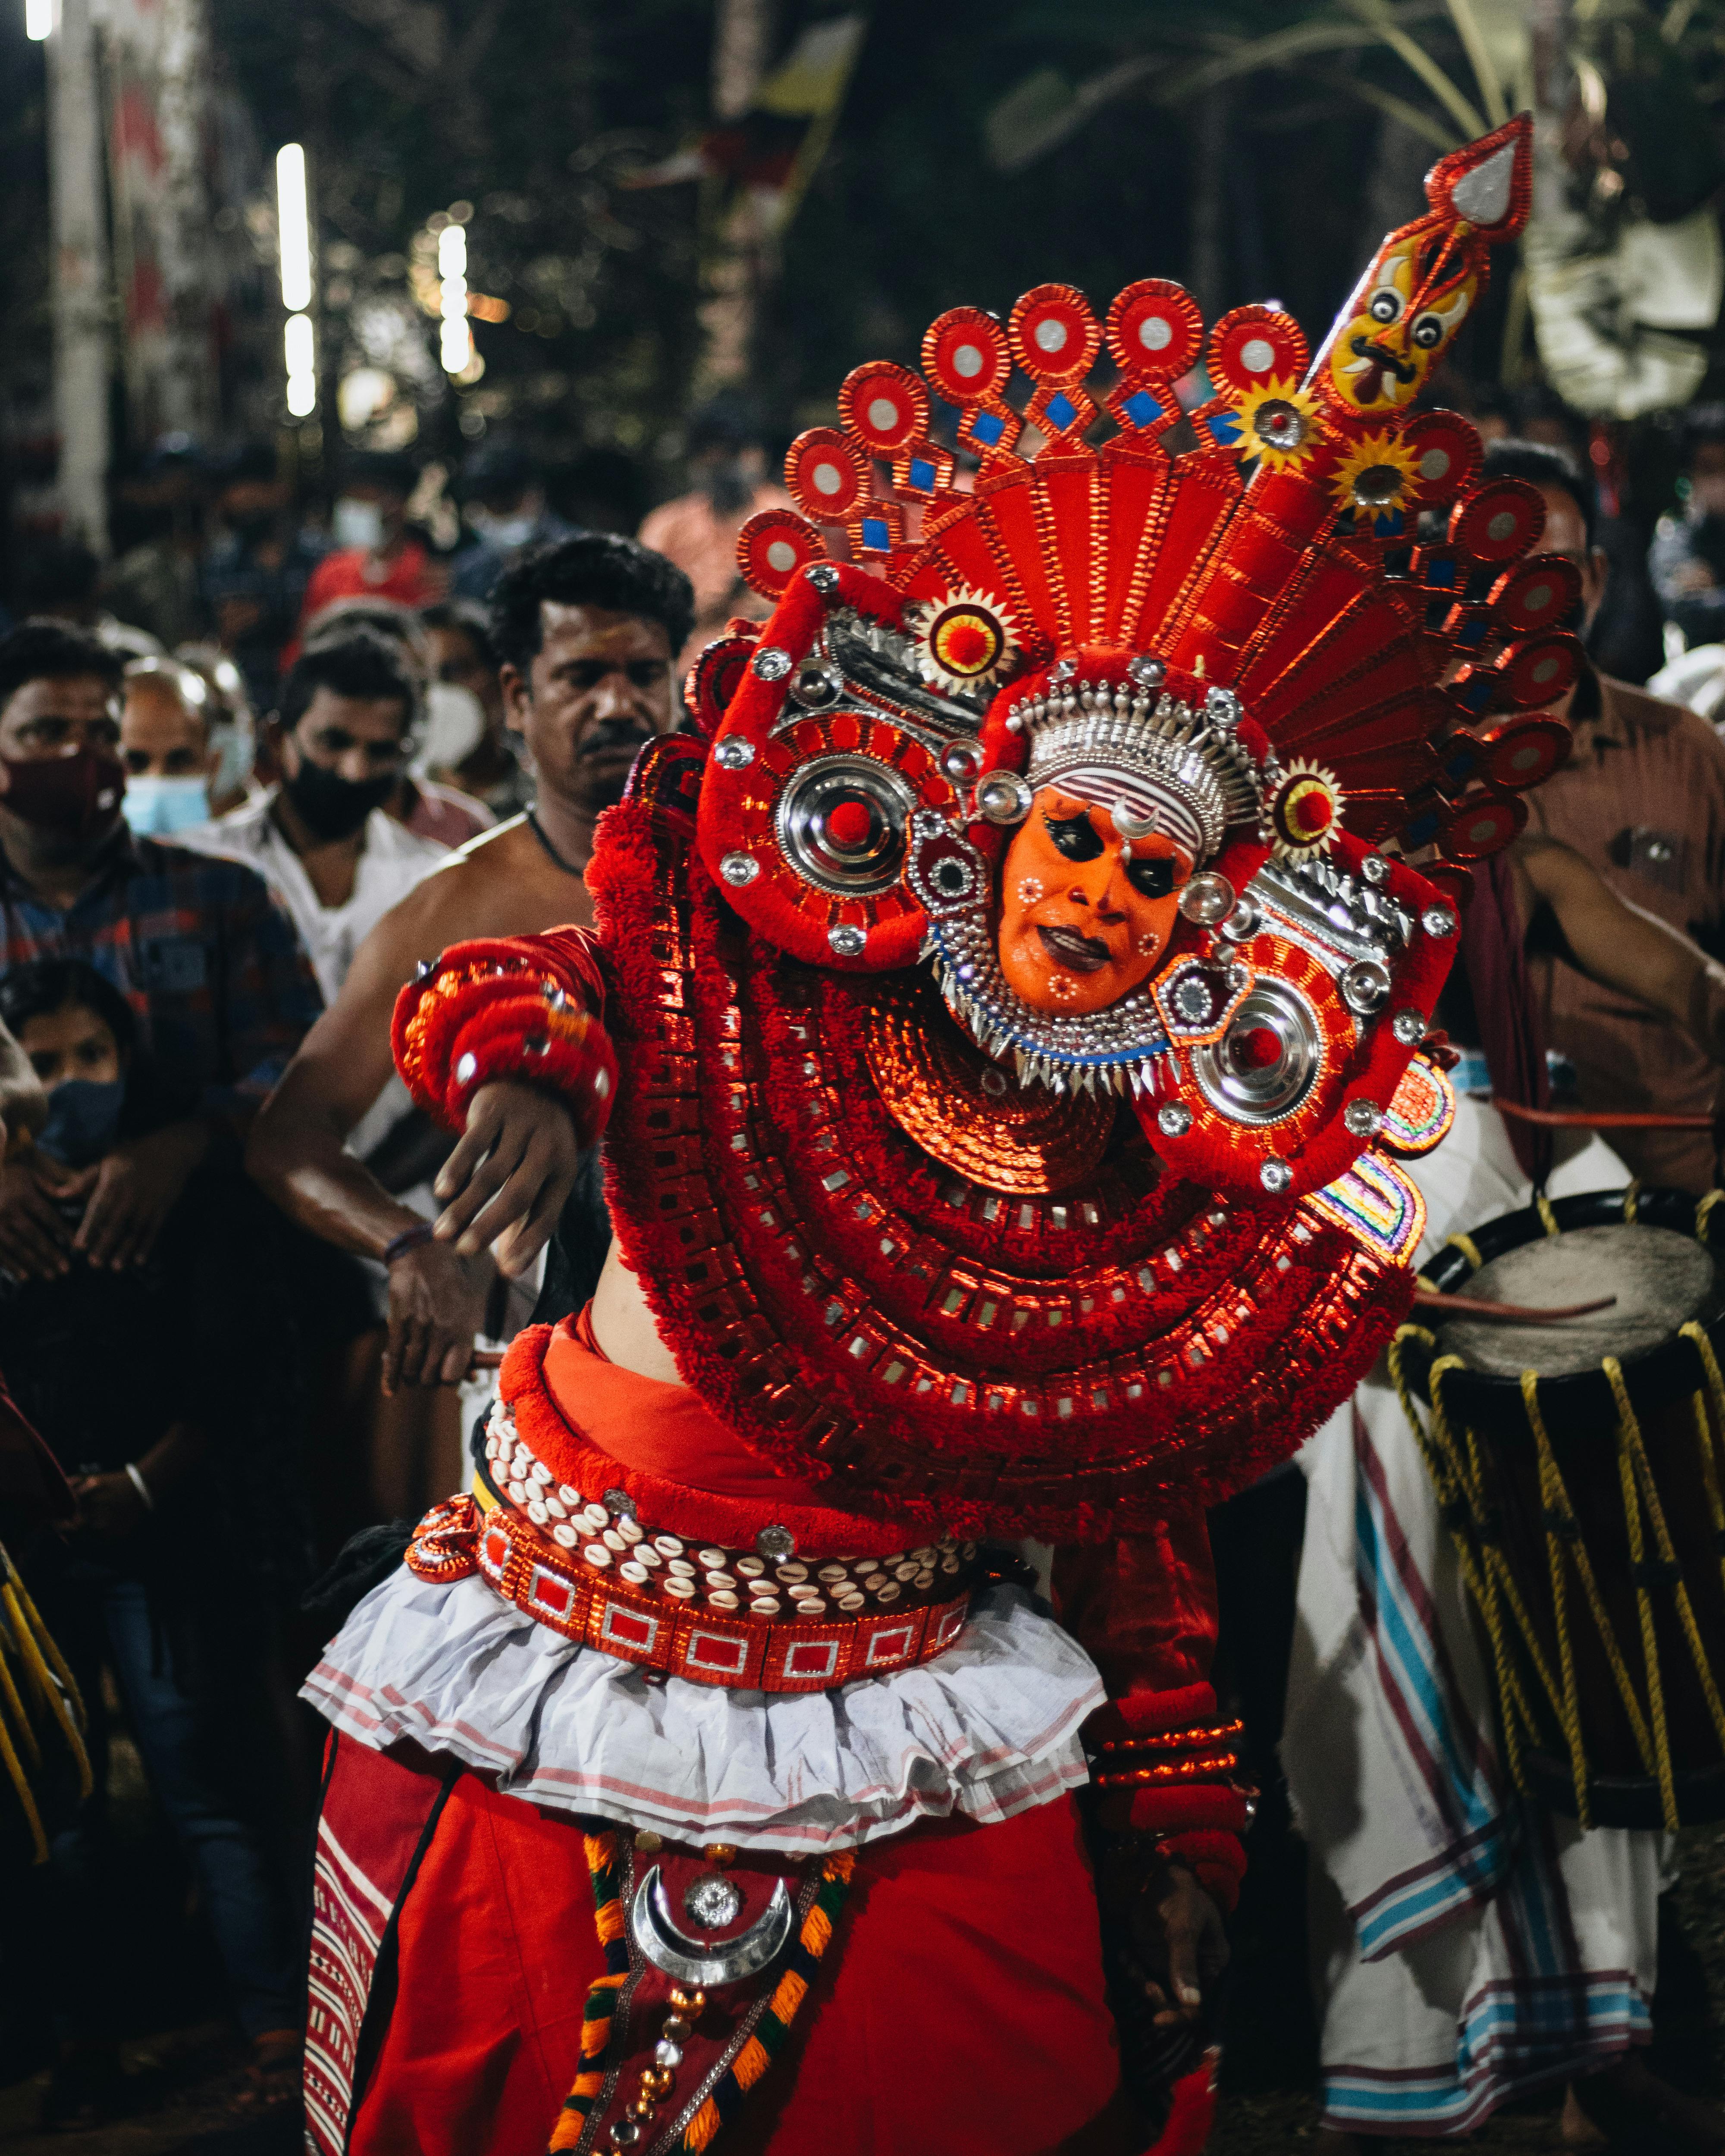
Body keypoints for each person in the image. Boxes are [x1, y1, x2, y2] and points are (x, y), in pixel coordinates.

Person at [291, 121, 1574, 2156]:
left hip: (920, 1704)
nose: (1091, 900)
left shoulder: (1138, 1167)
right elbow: (559, 979)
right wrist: (518, 1077)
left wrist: (1176, 1828)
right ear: (994, 821)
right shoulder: (791, 943)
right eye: (1071, 839)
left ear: (1206, 934)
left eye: (1148, 887)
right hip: (560, 1643)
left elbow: (1129, 1514)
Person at [1288, 848, 1725, 2152]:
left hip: (1490, 1219)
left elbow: (1686, 982)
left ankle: (1587, 2044)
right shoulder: (1235, 845)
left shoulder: (1501, 848)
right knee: (1398, 1656)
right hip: (1333, 1266)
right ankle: (1433, 2070)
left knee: (1557, 1647)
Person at [247, 534, 692, 1517]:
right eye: (579, 676)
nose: (616, 704)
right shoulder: (446, 908)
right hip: (523, 1377)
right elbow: (289, 1136)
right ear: (516, 699)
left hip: (716, 1378)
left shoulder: (745, 879)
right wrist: (407, 1248)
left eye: (642, 674)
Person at [0, 958, 302, 2125]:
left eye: (93, 1057)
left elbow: (234, 1370)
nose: (72, 1086)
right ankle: (84, 2040)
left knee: (201, 1780)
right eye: (44, 1064)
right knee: (54, 1804)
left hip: (165, 1533)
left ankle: (273, 2027)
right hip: (32, 1547)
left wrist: (142, 1481)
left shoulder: (181, 1190)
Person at [0, 620, 319, 1292]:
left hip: (202, 1268)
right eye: (45, 732)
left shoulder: (223, 896)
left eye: (101, 735)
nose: (78, 756)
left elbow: (300, 1068)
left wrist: (188, 1143)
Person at [1484, 438, 1725, 1192]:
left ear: (1595, 577)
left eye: (1557, 568)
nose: (1534, 593)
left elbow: (1697, 989)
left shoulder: (1683, 750)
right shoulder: (1396, 778)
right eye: (1505, 566)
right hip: (1471, 1195)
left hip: (1676, 1188)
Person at [177, 628, 449, 1007]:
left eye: (381, 751)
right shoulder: (203, 865)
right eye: (334, 743)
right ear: (277, 739)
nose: (356, 771)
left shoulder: (433, 882)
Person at [298, 598, 493, 849]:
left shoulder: (468, 829)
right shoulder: (262, 832)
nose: (413, 705)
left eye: (420, 685)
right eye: (381, 688)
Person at [637, 392, 795, 669]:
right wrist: (719, 598)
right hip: (691, 675)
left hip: (776, 667)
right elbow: (646, 613)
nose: (720, 468)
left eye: (730, 456)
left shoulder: (789, 518)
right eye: (709, 458)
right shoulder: (666, 526)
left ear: (756, 456)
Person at [199, 442, 327, 717]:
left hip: (311, 704)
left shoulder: (320, 558)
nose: (242, 498)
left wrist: (270, 613)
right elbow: (208, 639)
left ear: (280, 490)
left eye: (252, 487)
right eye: (234, 489)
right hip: (246, 704)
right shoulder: (220, 564)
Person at [298, 451, 444, 624]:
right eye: (349, 499)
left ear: (398, 504)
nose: (352, 510)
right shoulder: (331, 572)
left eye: (362, 499)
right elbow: (304, 642)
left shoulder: (429, 575)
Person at [418, 597, 530, 817]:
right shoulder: (394, 810)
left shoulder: (545, 803)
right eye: (422, 680)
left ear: (502, 683)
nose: (437, 693)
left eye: (453, 671)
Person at [449, 439, 574, 603]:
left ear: (536, 494)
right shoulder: (469, 570)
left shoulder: (582, 556)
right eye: (490, 505)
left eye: (507, 502)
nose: (500, 515)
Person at [118, 655, 226, 841]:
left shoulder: (243, 868)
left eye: (179, 761)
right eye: (136, 762)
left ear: (213, 768)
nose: (157, 779)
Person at [1648, 409, 1725, 652]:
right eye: (1709, 468)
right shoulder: (1676, 532)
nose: (1720, 479)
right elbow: (1681, 606)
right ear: (1691, 475)